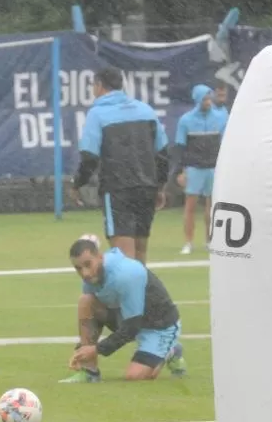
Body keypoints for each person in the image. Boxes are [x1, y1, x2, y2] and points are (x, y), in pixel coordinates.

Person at [69, 66, 170, 265]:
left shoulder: (97, 114)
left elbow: (89, 157)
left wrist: (77, 184)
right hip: (146, 188)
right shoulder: (146, 110)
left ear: (99, 86)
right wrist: (159, 186)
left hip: (118, 190)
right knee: (140, 254)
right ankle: (142, 296)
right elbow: (163, 154)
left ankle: (131, 296)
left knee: (123, 258)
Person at [61, 238, 187, 383]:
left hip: (159, 326)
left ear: (100, 257)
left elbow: (132, 328)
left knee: (134, 376)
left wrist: (96, 349)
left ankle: (171, 351)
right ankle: (89, 372)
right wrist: (81, 351)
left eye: (88, 264)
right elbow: (93, 317)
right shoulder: (91, 276)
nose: (85, 273)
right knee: (86, 301)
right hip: (129, 318)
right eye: (78, 268)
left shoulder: (126, 275)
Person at [172, 84, 227, 254]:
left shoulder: (220, 118)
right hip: (194, 168)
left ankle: (210, 241)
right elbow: (180, 148)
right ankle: (188, 242)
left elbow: (225, 144)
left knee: (211, 207)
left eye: (209, 98)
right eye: (205, 99)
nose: (208, 101)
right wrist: (180, 171)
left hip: (213, 168)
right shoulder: (186, 120)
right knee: (190, 207)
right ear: (197, 100)